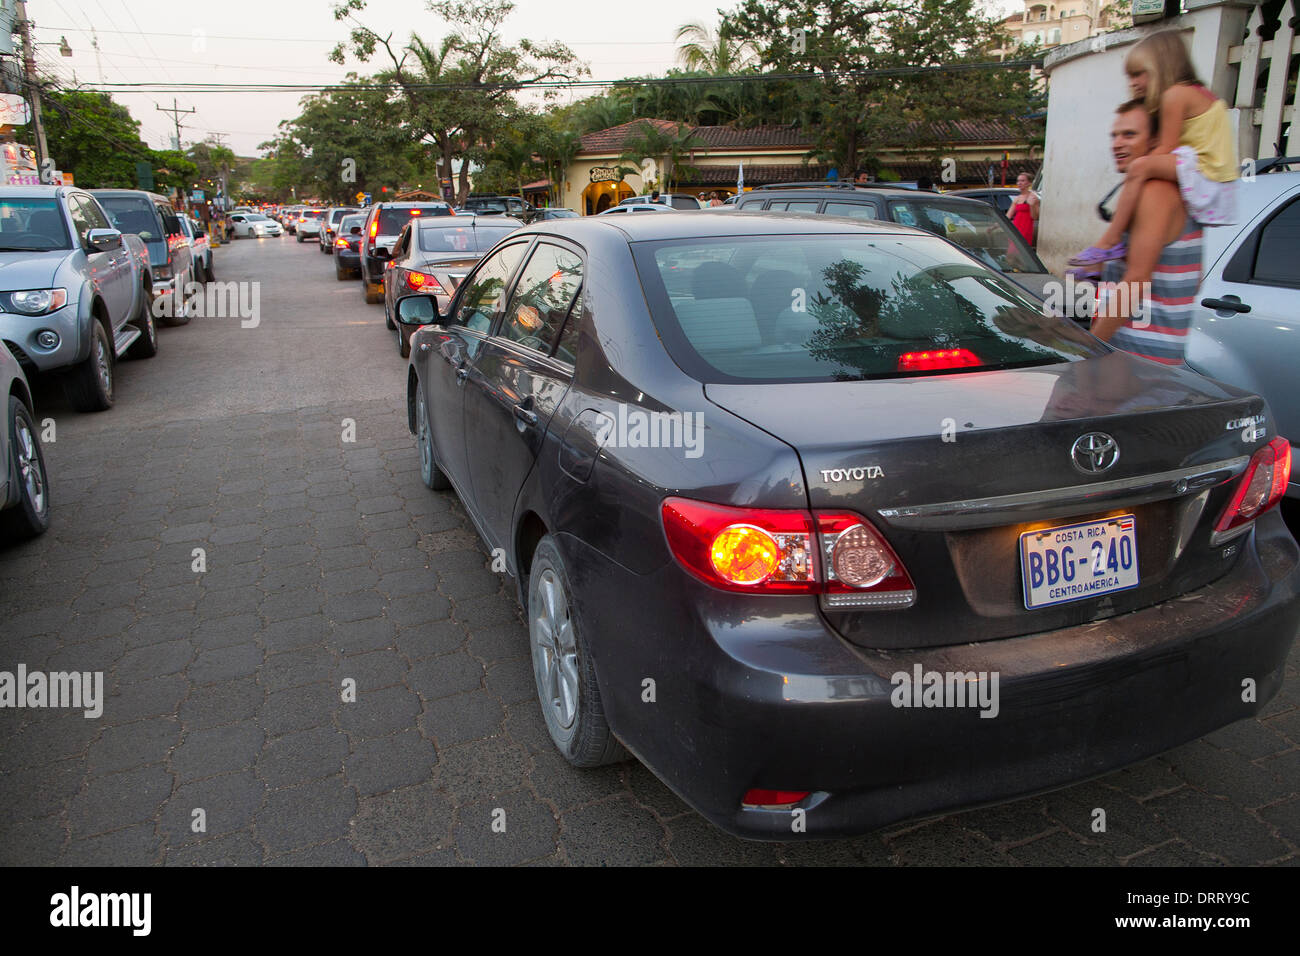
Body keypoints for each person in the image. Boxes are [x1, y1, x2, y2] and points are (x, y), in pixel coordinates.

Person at [1070, 30, 1237, 268]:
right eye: (1130, 77)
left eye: (1139, 74)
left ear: (1162, 67)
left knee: (1140, 168)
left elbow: (1167, 148)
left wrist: (1136, 176)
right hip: (1212, 173)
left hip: (1201, 167)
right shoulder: (1199, 92)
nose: (1133, 83)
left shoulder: (1174, 95)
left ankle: (1110, 239)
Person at [1089, 99, 1202, 366]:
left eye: (1129, 134)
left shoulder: (1157, 191)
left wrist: (1089, 353)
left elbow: (1137, 281)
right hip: (1138, 360)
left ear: (1155, 141)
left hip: (1140, 364)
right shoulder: (1152, 190)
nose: (1117, 143)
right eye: (1114, 135)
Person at [1008, 172, 1039, 247]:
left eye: (1022, 181)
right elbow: (1008, 215)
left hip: (1026, 228)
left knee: (1021, 250)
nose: (1019, 183)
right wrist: (994, 226)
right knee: (1011, 252)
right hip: (1016, 228)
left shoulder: (1033, 197)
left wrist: (1032, 205)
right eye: (1018, 181)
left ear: (1029, 183)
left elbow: (1035, 217)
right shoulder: (1017, 198)